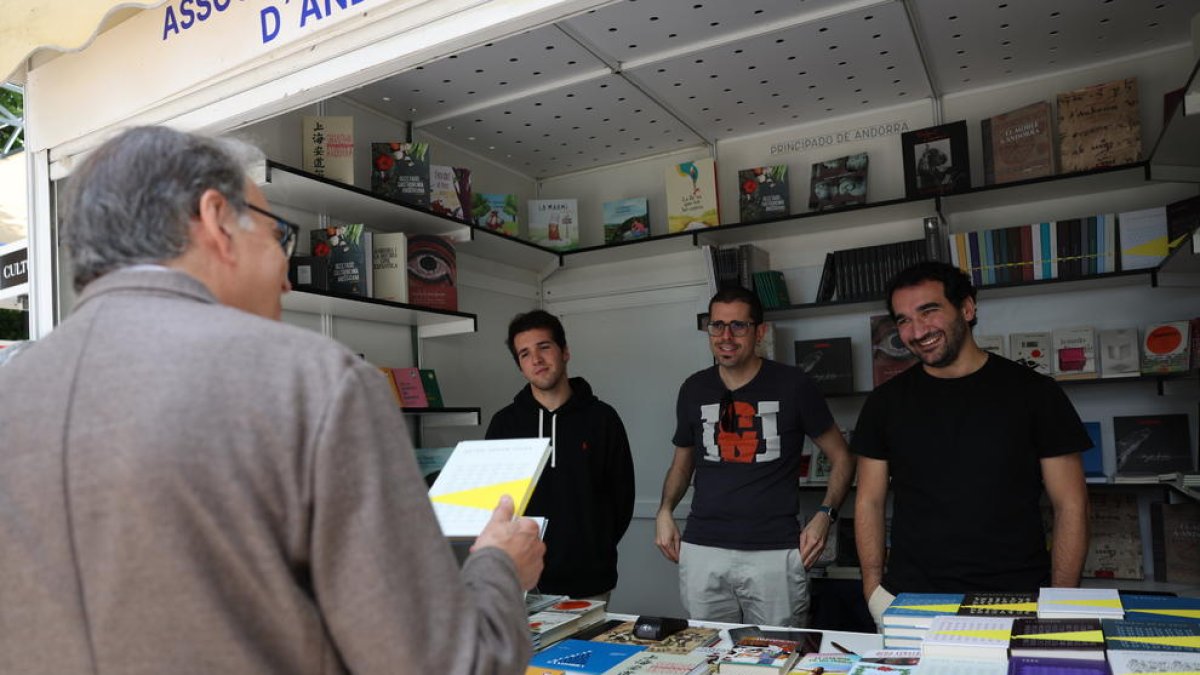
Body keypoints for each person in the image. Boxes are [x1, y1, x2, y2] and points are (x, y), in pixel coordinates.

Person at [0, 126, 544, 674]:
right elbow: (446, 666)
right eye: (277, 235)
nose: (287, 279)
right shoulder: (315, 383)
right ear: (215, 219)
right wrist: (498, 566)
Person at [853, 261, 1090, 624]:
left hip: (1017, 596)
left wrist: (1060, 602)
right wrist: (873, 589)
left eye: (928, 312)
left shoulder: (1035, 394)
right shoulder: (884, 403)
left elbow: (1071, 505)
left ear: (966, 308)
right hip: (912, 598)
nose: (917, 331)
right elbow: (869, 501)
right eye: (903, 320)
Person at [655, 286, 855, 627]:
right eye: (717, 326)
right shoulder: (693, 388)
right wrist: (664, 511)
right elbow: (681, 464)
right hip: (703, 547)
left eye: (738, 326)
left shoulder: (793, 384)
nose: (726, 336)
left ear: (759, 332)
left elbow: (842, 458)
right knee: (709, 653)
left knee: (780, 653)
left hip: (774, 551)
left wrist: (825, 515)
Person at [486, 310, 635, 601]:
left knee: (588, 648)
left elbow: (622, 498)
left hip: (591, 580)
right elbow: (494, 503)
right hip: (522, 581)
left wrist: (595, 545)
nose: (536, 360)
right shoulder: (504, 423)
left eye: (544, 347)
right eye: (525, 354)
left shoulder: (602, 419)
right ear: (520, 366)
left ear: (565, 351)